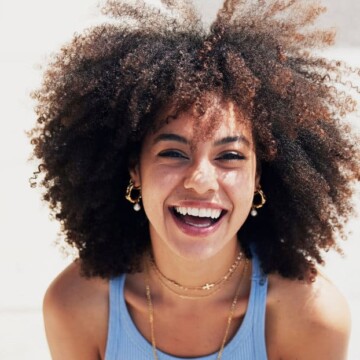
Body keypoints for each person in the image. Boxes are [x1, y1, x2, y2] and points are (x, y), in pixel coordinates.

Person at [29, 0, 360, 359]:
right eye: (173, 153)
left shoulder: (310, 315)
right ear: (133, 170)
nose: (201, 181)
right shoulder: (77, 306)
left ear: (259, 177)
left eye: (229, 156)